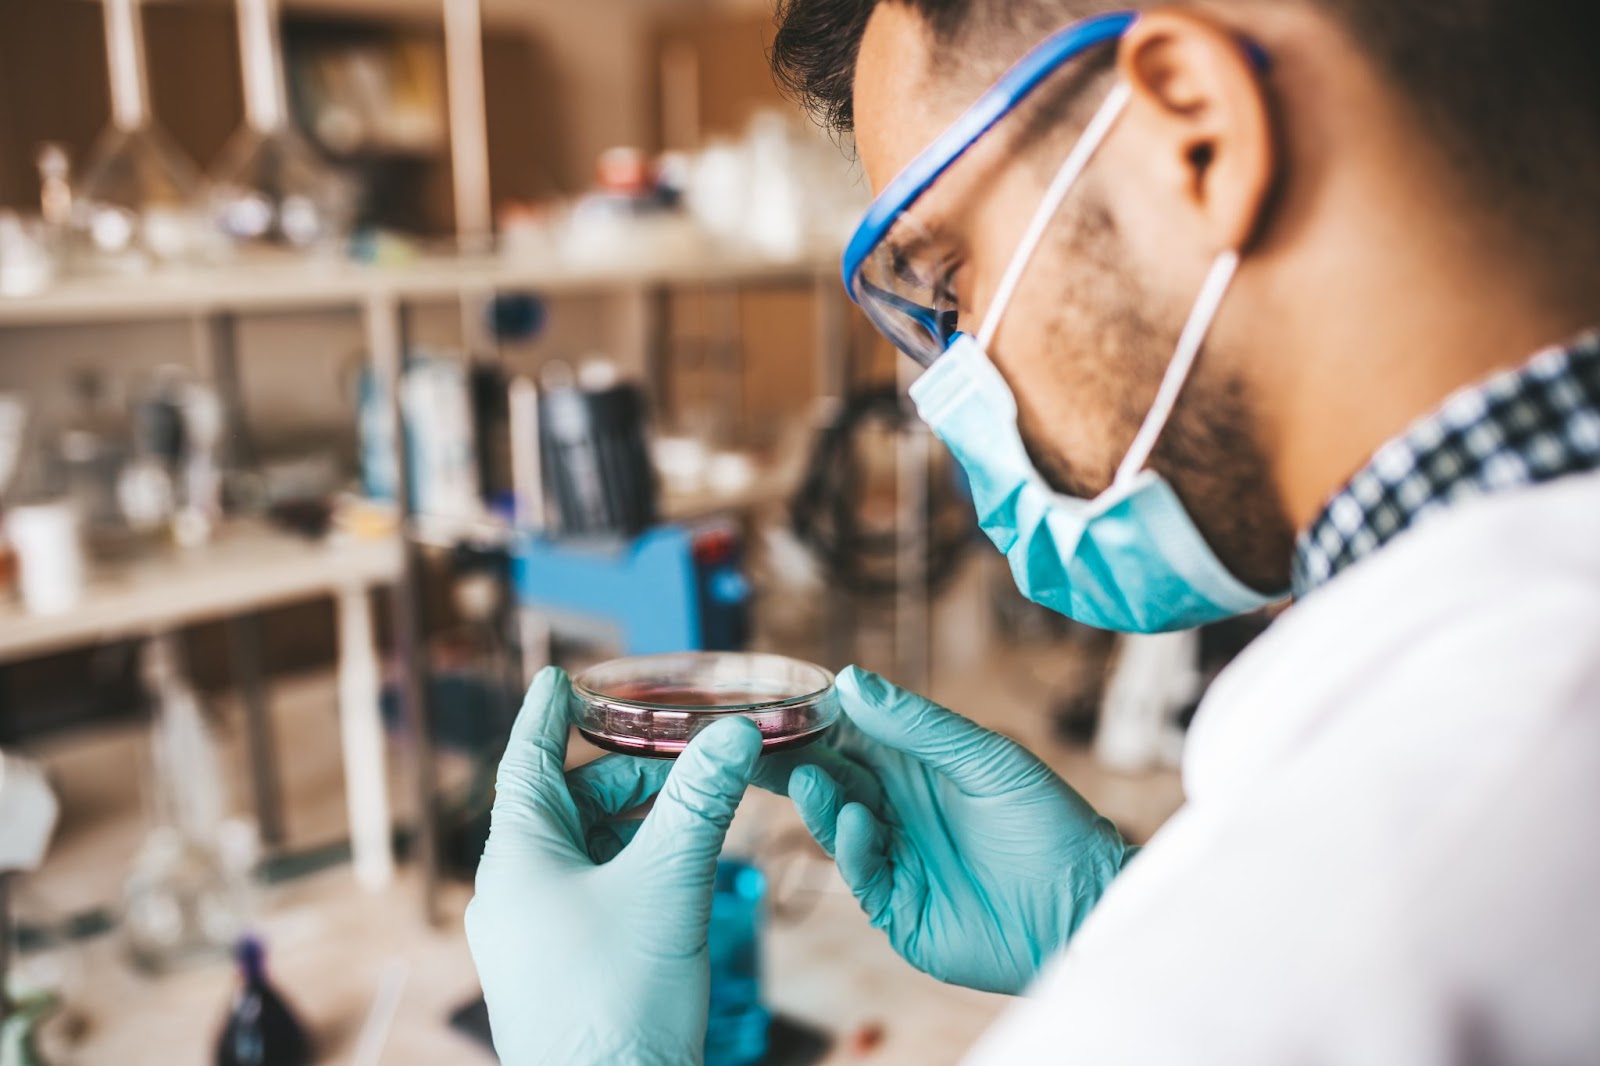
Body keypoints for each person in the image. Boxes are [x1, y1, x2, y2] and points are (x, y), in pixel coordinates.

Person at [466, 1, 1600, 1061]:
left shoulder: (1304, 975)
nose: (946, 387)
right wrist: (1122, 911)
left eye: (948, 285)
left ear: (1193, 140)